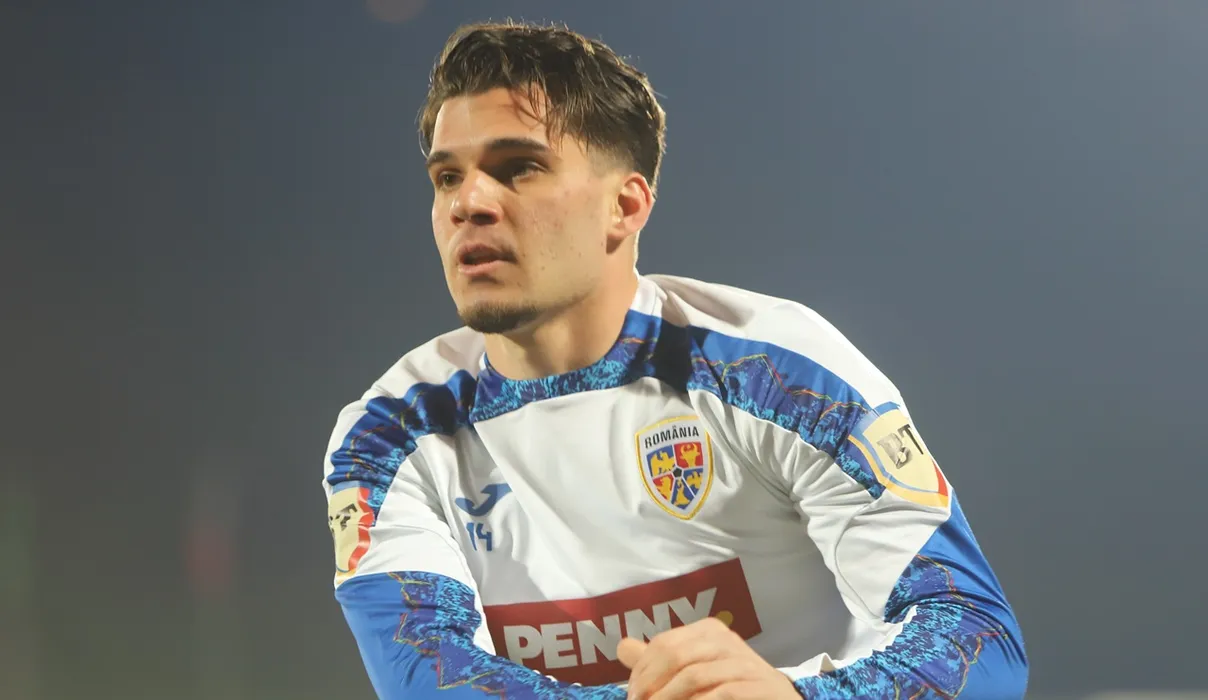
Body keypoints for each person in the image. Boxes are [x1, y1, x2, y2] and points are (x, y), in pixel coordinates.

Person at [322, 20, 1028, 700]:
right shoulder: (389, 434)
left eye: (519, 168)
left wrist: (795, 697)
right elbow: (428, 677)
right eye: (448, 177)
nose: (468, 203)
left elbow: (974, 637)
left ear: (625, 207)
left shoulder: (779, 377)